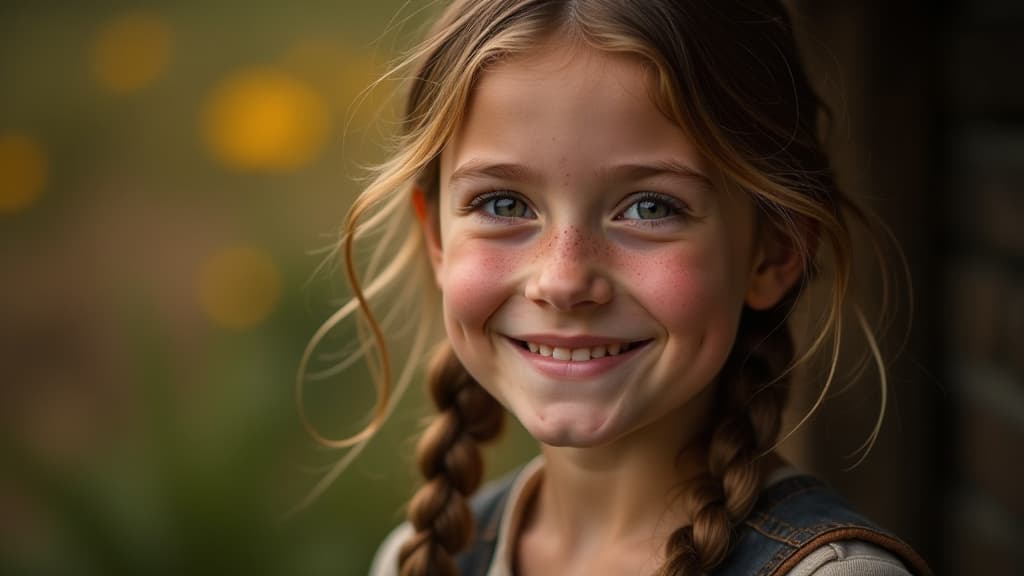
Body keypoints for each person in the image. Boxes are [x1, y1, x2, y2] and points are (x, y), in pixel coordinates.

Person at [300, 1, 933, 574]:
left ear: (774, 252)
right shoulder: (416, 561)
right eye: (502, 202)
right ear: (438, 240)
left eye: (650, 208)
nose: (564, 280)